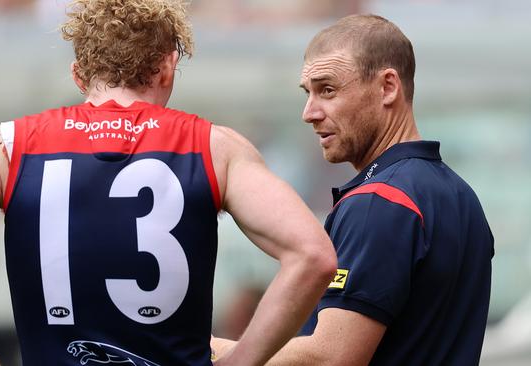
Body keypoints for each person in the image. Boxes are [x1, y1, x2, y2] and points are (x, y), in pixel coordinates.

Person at [0, 0, 337, 365]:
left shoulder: (8, 146)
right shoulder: (214, 148)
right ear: (167, 67)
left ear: (78, 74)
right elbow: (312, 255)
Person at [212, 14, 494, 365]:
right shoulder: (460, 195)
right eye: (308, 93)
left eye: (327, 90)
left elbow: (330, 358)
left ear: (388, 87)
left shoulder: (380, 201)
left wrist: (204, 348)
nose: (309, 112)